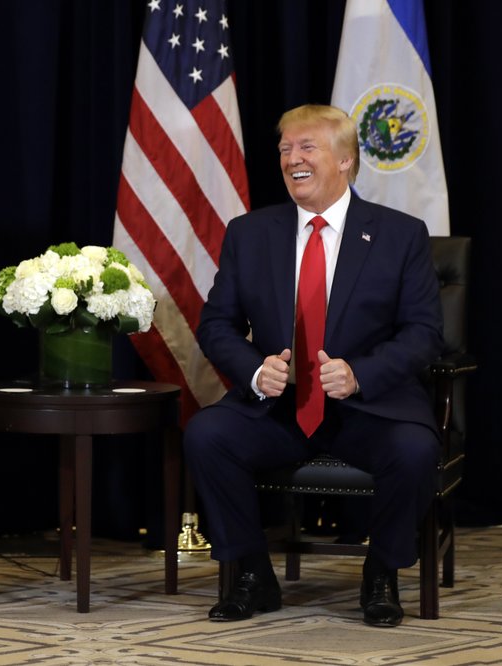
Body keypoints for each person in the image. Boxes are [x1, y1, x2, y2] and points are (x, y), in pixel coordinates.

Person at [184, 104, 443, 628]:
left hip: (369, 406)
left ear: (346, 159)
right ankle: (253, 573)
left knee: (415, 448)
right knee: (207, 435)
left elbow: (423, 334)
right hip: (278, 408)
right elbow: (216, 325)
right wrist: (257, 371)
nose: (292, 158)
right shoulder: (249, 233)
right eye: (284, 149)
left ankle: (381, 574)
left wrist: (360, 373)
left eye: (307, 147)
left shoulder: (400, 234)